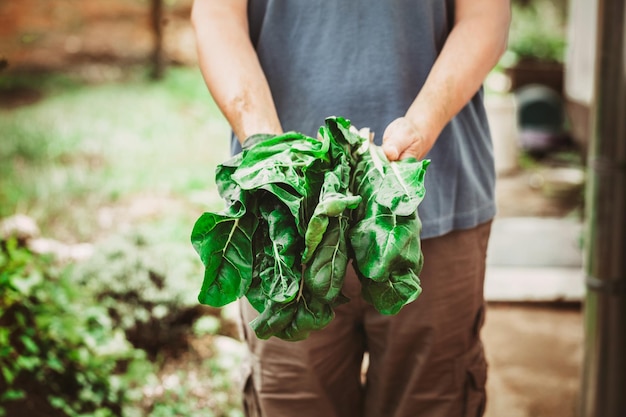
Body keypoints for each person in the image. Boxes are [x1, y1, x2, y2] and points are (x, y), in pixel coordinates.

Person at [191, 1, 511, 416]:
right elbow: (216, 15)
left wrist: (422, 123)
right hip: (280, 222)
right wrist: (270, 152)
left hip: (435, 208)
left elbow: (486, 17)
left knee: (432, 400)